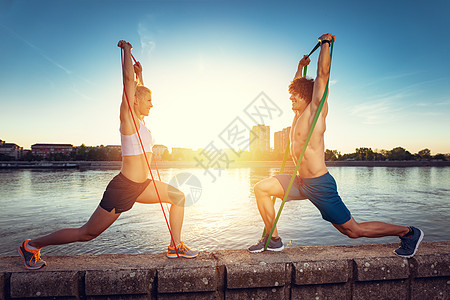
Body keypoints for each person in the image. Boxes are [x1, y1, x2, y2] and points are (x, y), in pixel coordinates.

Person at [18, 40, 199, 270]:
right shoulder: (128, 119)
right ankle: (31, 245)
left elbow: (138, 91)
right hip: (123, 188)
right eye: (149, 101)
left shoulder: (141, 122)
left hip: (142, 184)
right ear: (135, 101)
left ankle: (175, 245)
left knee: (179, 197)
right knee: (87, 233)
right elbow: (128, 85)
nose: (153, 105)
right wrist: (127, 52)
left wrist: (141, 75)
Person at [248, 33, 424, 258]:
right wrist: (300, 68)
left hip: (320, 185)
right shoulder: (297, 115)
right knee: (261, 188)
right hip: (300, 181)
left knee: (353, 230)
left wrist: (325, 45)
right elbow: (299, 87)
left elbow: (322, 76)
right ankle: (273, 239)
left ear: (306, 97)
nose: (290, 100)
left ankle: (408, 232)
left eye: (294, 97)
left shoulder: (315, 113)